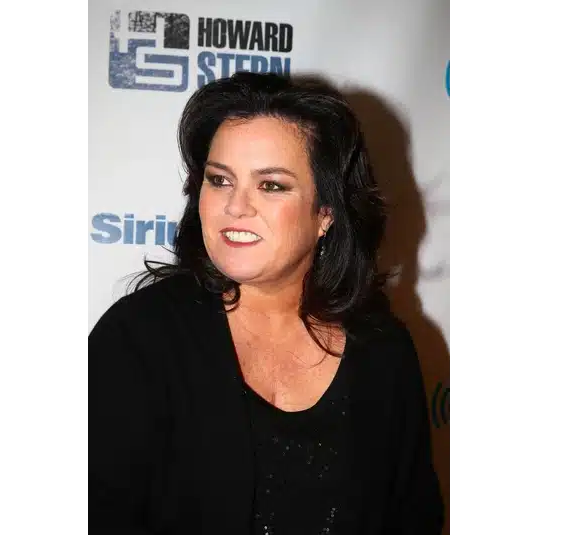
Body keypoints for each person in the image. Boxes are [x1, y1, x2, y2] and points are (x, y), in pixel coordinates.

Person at [82, 72, 444, 535]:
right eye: (219, 180)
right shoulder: (139, 338)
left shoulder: (384, 350)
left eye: (271, 185)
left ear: (326, 213)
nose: (235, 206)